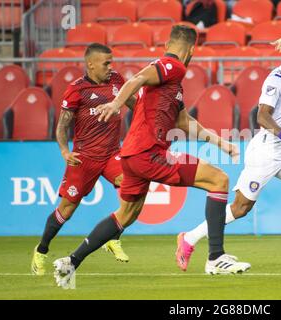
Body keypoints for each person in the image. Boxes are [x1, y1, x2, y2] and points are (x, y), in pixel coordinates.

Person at [52, 25, 251, 289]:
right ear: (191, 49)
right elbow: (136, 80)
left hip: (132, 157)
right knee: (219, 179)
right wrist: (115, 104)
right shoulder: (174, 66)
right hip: (149, 153)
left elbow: (183, 121)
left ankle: (71, 261)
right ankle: (215, 257)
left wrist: (220, 143)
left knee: (126, 214)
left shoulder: (171, 82)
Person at [176, 35, 281, 272]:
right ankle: (189, 239)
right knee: (240, 208)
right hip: (266, 152)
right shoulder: (276, 79)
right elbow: (261, 116)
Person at [31, 44, 134, 276]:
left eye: (112, 62)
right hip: (84, 158)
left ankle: (113, 238)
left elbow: (135, 104)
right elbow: (63, 125)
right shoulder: (77, 90)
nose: (111, 67)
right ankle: (41, 249)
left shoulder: (117, 80)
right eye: (106, 63)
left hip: (111, 154)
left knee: (132, 190)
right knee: (66, 210)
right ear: (91, 64)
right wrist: (65, 151)